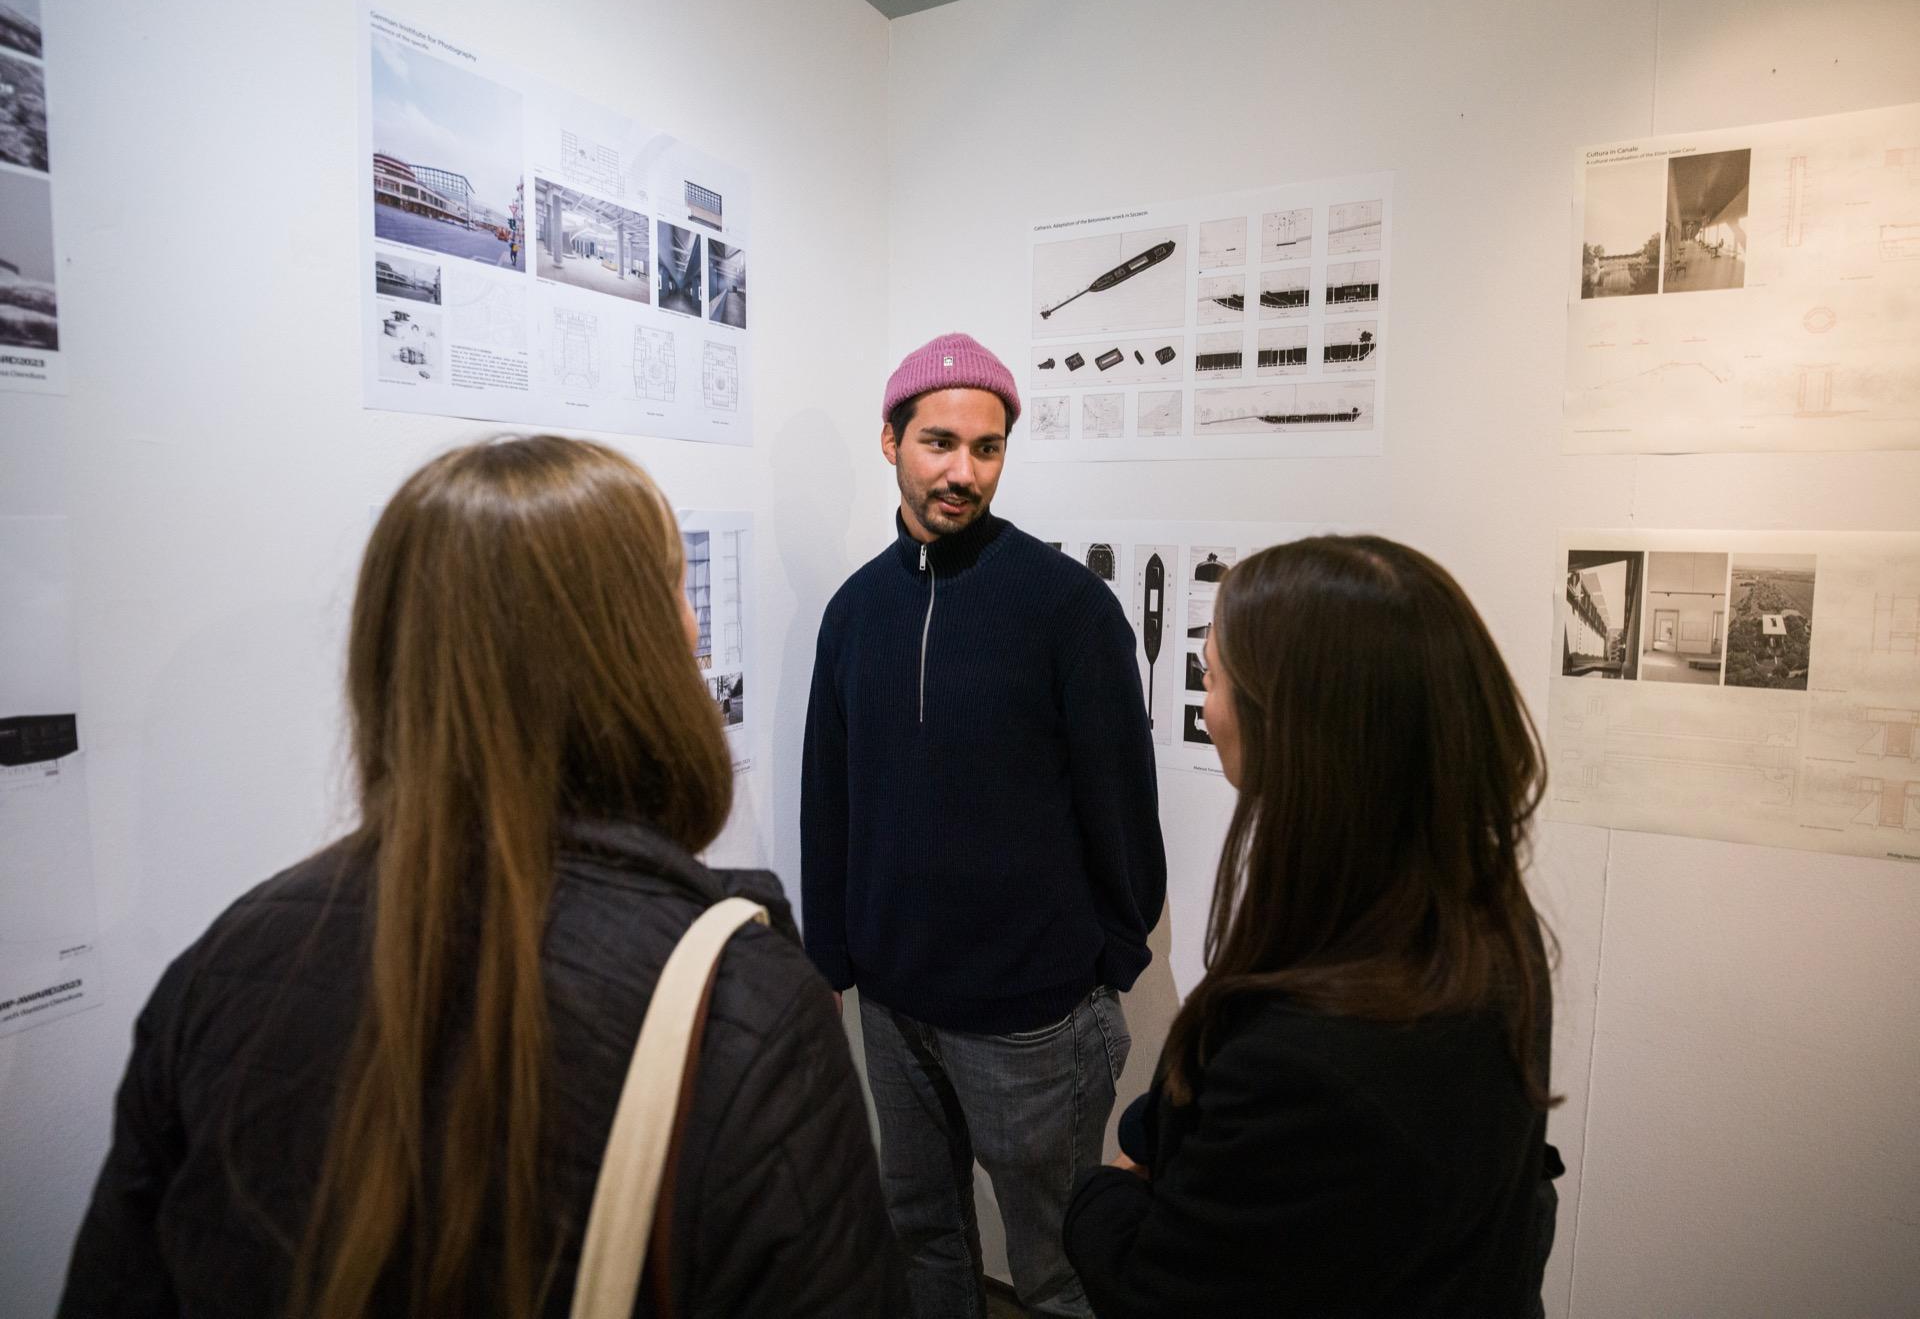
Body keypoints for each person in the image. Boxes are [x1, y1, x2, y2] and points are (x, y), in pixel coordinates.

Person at [57, 436, 903, 1318]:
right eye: (675, 591)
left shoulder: (225, 960)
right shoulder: (742, 1000)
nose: (693, 624)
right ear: (638, 647)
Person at [1064, 536, 1562, 1318]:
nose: (1207, 703)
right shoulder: (1486, 924)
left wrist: (1101, 1197)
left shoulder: (1305, 1055)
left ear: (1294, 728)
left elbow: (1159, 1287)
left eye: (1213, 677)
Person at [802, 333, 1166, 1318]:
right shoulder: (855, 610)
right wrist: (832, 957)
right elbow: (828, 792)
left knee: (1055, 1265)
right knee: (923, 1235)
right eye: (939, 441)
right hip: (893, 1002)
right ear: (891, 441)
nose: (964, 469)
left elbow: (1123, 803)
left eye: (988, 446)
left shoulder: (1068, 610)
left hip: (1031, 1014)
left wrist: (1108, 959)